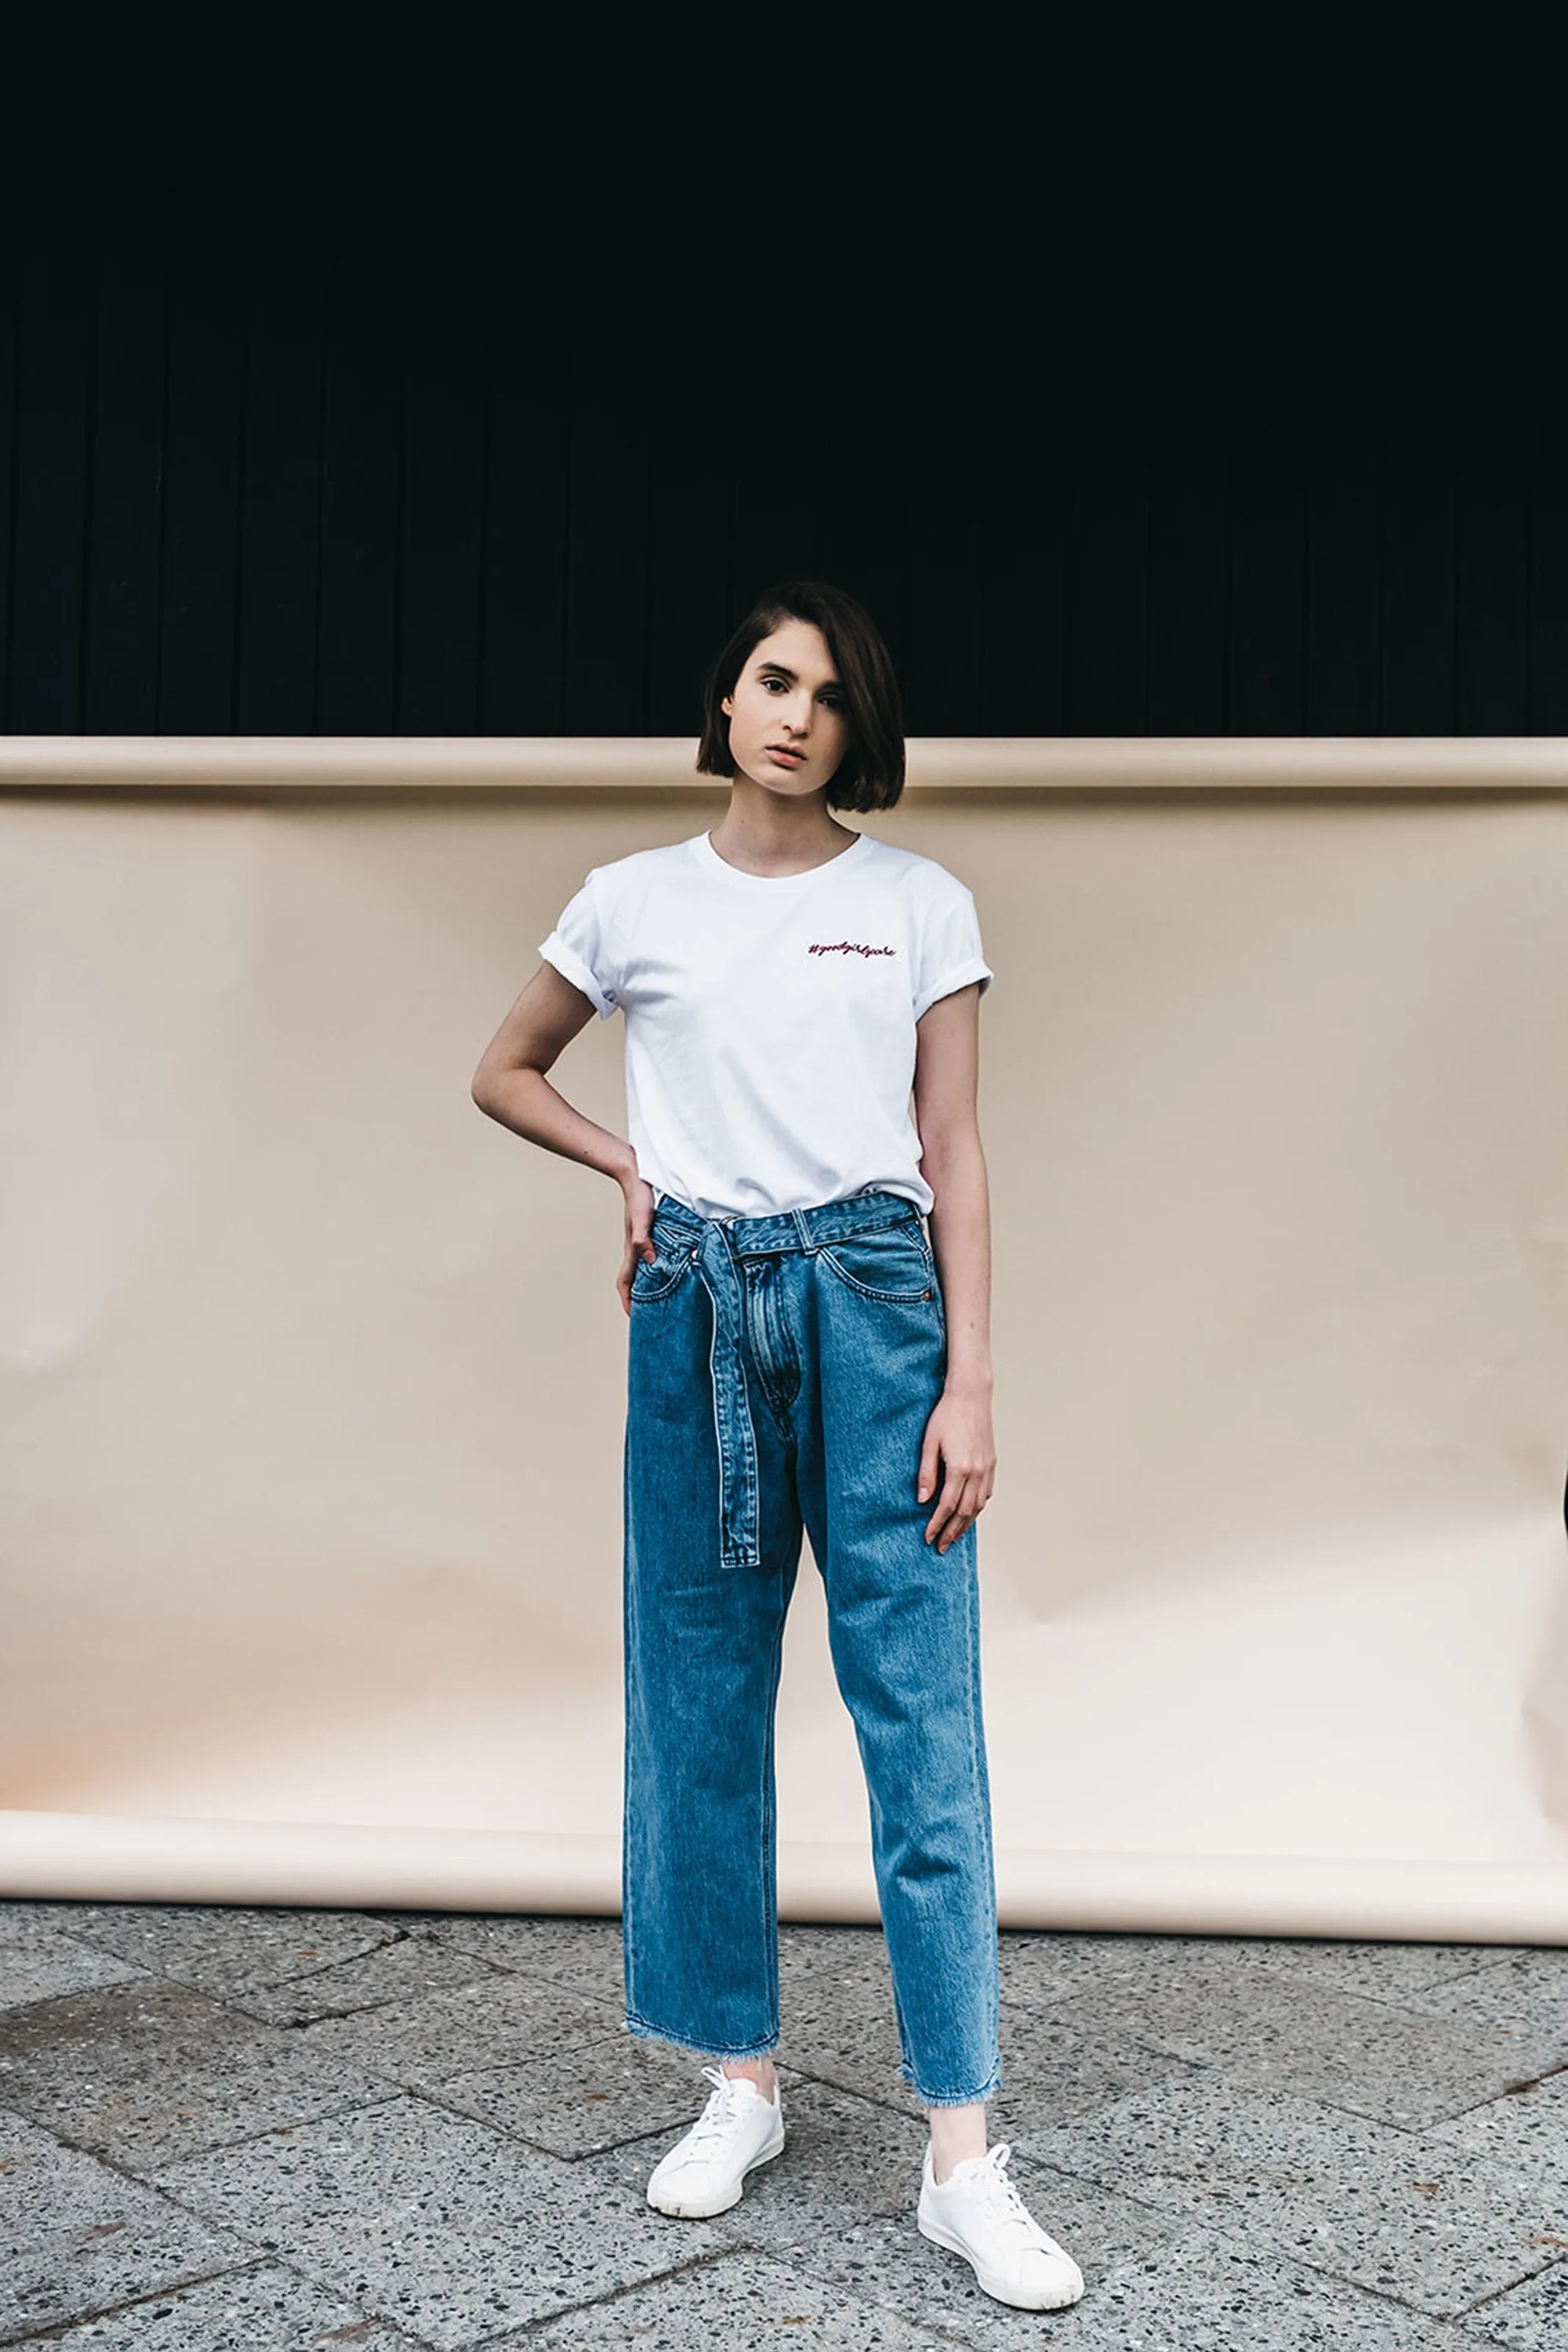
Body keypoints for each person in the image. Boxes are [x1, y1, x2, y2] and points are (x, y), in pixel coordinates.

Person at [471, 580, 1085, 2314]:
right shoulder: (628, 902)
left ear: (858, 727)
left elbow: (952, 1147)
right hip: (697, 1311)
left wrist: (971, 1381)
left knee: (920, 1715)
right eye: (770, 679)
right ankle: (734, 2080)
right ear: (727, 701)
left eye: (828, 693)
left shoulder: (916, 902)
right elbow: (504, 1069)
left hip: (876, 1307)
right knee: (698, 1707)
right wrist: (626, 1169)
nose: (795, 714)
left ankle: (962, 2155)